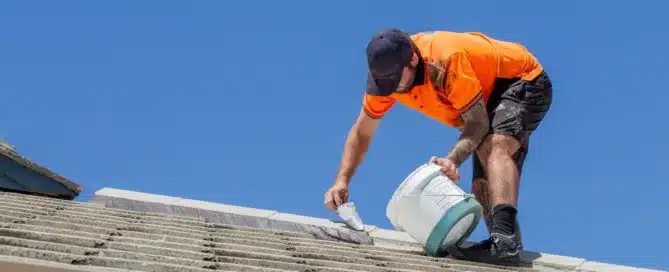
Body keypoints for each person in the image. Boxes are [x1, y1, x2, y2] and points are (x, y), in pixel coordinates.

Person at [324, 28, 553, 264]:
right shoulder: (385, 81)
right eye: (384, 82)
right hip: (482, 96)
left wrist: (452, 160)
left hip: (521, 80)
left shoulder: (444, 61)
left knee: (494, 148)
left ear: (413, 59)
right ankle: (507, 249)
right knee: (482, 185)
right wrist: (342, 180)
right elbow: (362, 132)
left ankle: (505, 240)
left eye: (394, 79)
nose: (390, 88)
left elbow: (477, 122)